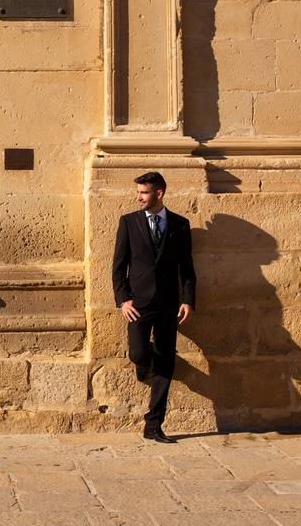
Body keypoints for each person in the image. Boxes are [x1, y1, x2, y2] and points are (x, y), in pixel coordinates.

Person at [112, 171, 196, 444]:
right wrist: (123, 300)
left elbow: (188, 269)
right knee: (137, 352)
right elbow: (118, 268)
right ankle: (143, 362)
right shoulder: (128, 223)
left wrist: (188, 300)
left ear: (158, 194)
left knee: (166, 363)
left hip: (169, 304)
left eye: (144, 193)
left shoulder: (180, 225)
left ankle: (153, 424)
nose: (139, 197)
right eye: (138, 192)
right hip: (138, 304)